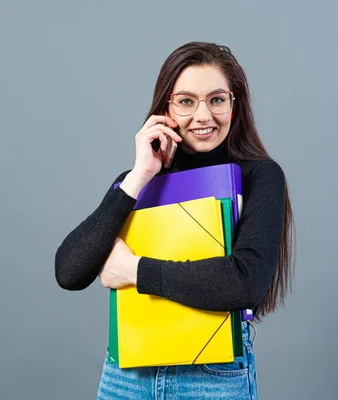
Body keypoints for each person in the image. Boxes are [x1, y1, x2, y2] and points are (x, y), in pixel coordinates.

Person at [54, 41, 295, 399]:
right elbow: (69, 273)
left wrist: (134, 270)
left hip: (211, 378)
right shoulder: (138, 180)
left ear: (234, 104)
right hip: (127, 376)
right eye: (186, 101)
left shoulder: (259, 176)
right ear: (165, 108)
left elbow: (242, 283)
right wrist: (138, 175)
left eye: (216, 99)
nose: (203, 115)